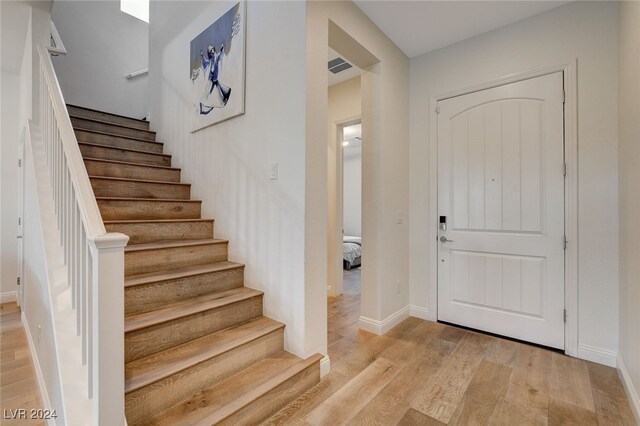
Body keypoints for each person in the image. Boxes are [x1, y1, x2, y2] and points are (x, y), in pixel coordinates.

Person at [199, 44, 231, 114]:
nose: (212, 52)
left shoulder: (216, 57)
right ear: (210, 53)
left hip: (214, 78)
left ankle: (215, 101)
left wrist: (222, 49)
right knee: (208, 90)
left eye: (213, 50)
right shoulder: (210, 60)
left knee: (217, 91)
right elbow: (205, 62)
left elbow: (220, 56)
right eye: (211, 51)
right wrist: (202, 56)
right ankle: (206, 101)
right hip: (210, 78)